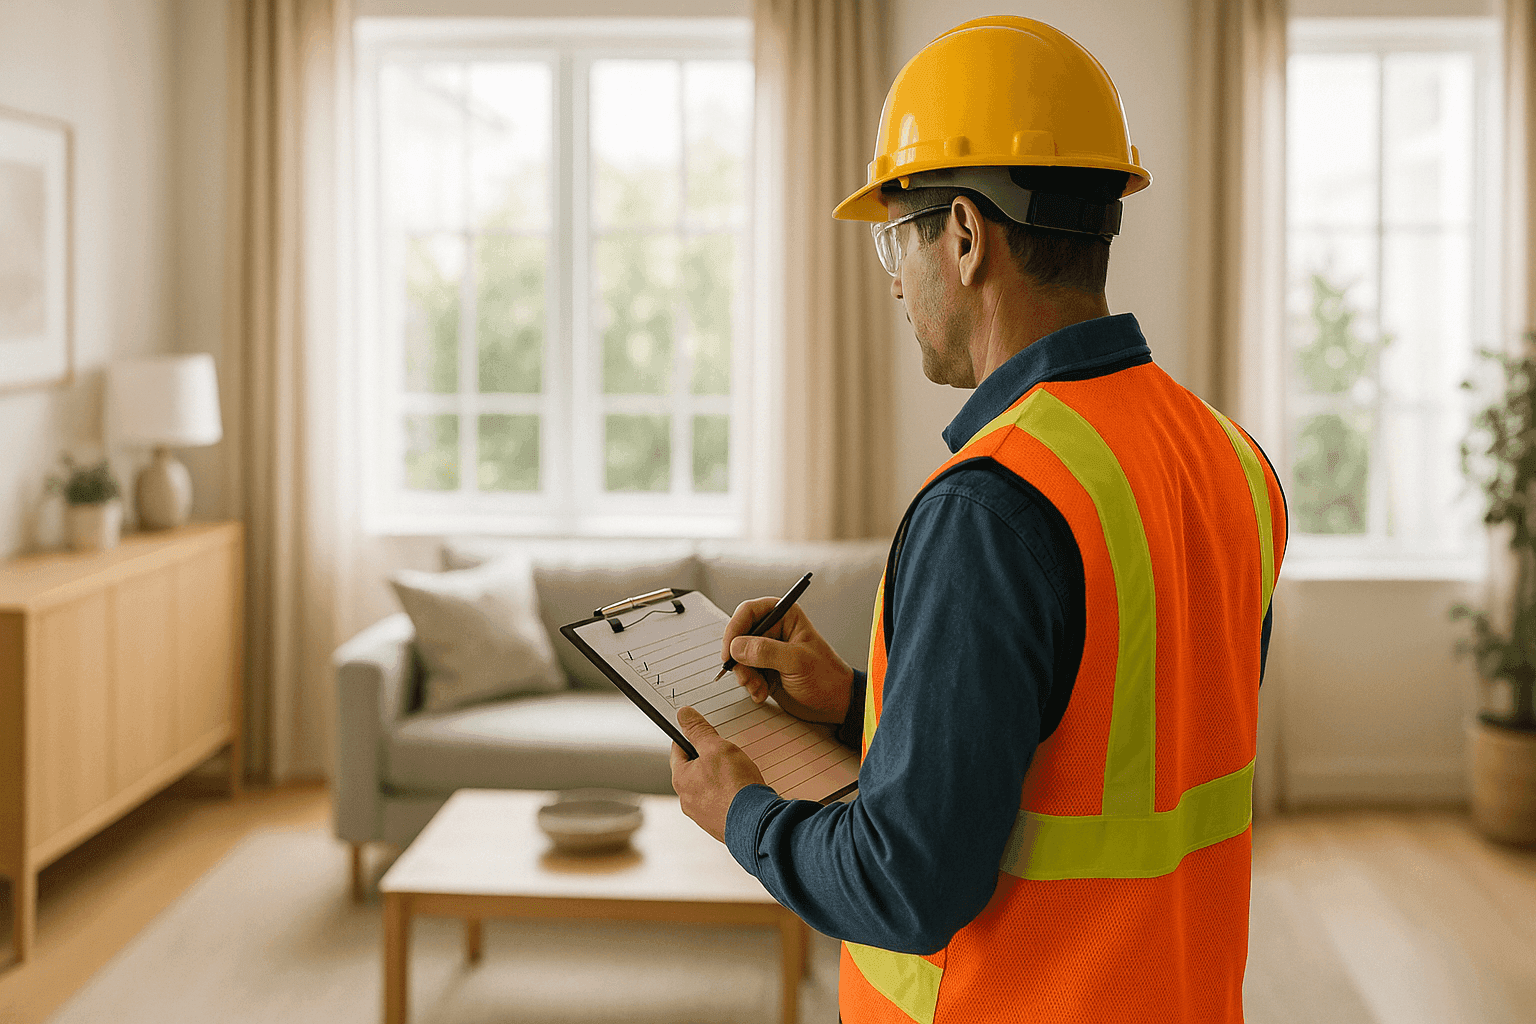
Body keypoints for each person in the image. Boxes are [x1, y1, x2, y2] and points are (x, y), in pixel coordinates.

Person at [669, 15, 1288, 1023]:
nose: (896, 283)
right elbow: (1099, 745)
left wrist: (741, 813)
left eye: (893, 242)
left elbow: (907, 881)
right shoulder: (1232, 460)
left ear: (962, 234)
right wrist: (856, 701)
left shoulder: (991, 503)